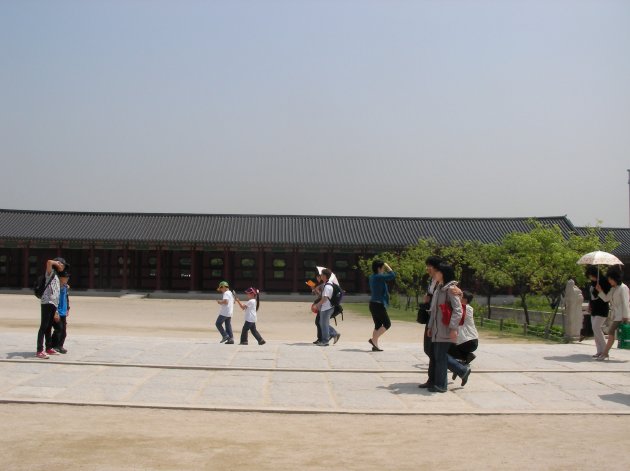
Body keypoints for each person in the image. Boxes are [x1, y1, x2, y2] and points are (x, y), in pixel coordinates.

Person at [424, 263, 470, 393]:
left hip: (445, 328)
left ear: (443, 273)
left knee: (440, 357)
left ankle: (441, 385)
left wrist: (453, 328)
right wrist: (431, 326)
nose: (435, 274)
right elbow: (434, 310)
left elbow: (458, 310)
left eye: (437, 272)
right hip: (437, 329)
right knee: (439, 356)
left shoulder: (451, 290)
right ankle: (461, 371)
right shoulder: (439, 288)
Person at [595, 267, 629, 360]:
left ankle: (605, 353)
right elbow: (606, 298)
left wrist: (626, 317)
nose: (609, 281)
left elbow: (625, 302)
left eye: (610, 279)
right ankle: (605, 353)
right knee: (611, 333)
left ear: (615, 279)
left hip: (621, 315)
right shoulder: (613, 289)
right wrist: (600, 291)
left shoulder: (623, 288)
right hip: (616, 315)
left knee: (610, 332)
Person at [36, 257, 67, 359]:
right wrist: (56, 263)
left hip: (53, 303)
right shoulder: (50, 273)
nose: (63, 266)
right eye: (62, 264)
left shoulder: (57, 275)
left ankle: (48, 347)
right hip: (47, 302)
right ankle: (39, 350)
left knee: (49, 326)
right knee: (43, 326)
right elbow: (48, 262)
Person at [368, 259, 396, 351]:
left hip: (373, 304)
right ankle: (373, 340)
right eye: (382, 268)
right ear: (379, 268)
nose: (383, 270)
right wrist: (388, 266)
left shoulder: (372, 277)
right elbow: (392, 275)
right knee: (387, 324)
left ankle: (375, 345)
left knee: (378, 325)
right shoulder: (378, 277)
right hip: (378, 305)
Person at [585, 266, 610, 357]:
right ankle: (599, 350)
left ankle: (604, 350)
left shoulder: (604, 282)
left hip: (602, 308)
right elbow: (591, 296)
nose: (590, 278)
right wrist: (589, 305)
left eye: (591, 276)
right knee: (595, 329)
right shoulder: (593, 282)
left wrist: (600, 290)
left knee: (596, 327)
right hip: (594, 308)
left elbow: (606, 298)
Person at [448, 291, 478, 365]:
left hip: (468, 341)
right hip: (469, 340)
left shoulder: (466, 308)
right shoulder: (465, 308)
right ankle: (467, 356)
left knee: (447, 349)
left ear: (465, 300)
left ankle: (466, 356)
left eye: (460, 297)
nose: (458, 298)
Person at [314, 269, 341, 346]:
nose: (320, 276)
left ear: (325, 276)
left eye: (321, 274)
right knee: (322, 323)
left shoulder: (328, 286)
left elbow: (325, 298)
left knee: (324, 324)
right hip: (326, 307)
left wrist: (317, 305)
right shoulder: (327, 284)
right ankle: (333, 334)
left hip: (327, 308)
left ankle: (325, 341)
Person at [51, 271, 71, 354]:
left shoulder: (65, 287)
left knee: (64, 331)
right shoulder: (56, 287)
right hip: (57, 312)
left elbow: (66, 298)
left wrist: (68, 308)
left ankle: (60, 346)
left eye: (67, 278)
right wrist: (55, 312)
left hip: (63, 311)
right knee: (58, 329)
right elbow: (53, 299)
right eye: (65, 278)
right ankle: (54, 346)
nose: (66, 279)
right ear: (60, 278)